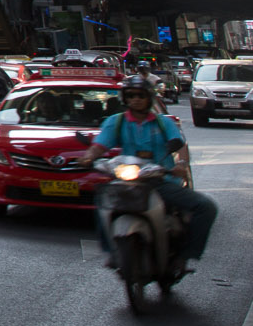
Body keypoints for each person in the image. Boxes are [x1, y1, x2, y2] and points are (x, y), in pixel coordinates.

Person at [60, 75, 217, 271]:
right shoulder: (115, 122)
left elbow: (180, 146)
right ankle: (111, 252)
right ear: (125, 98)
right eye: (131, 95)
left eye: (140, 95)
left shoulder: (163, 123)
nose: (136, 99)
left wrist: (182, 165)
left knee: (206, 207)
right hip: (127, 181)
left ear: (149, 98)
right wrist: (88, 157)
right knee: (101, 201)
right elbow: (99, 146)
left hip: (161, 180)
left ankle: (186, 255)